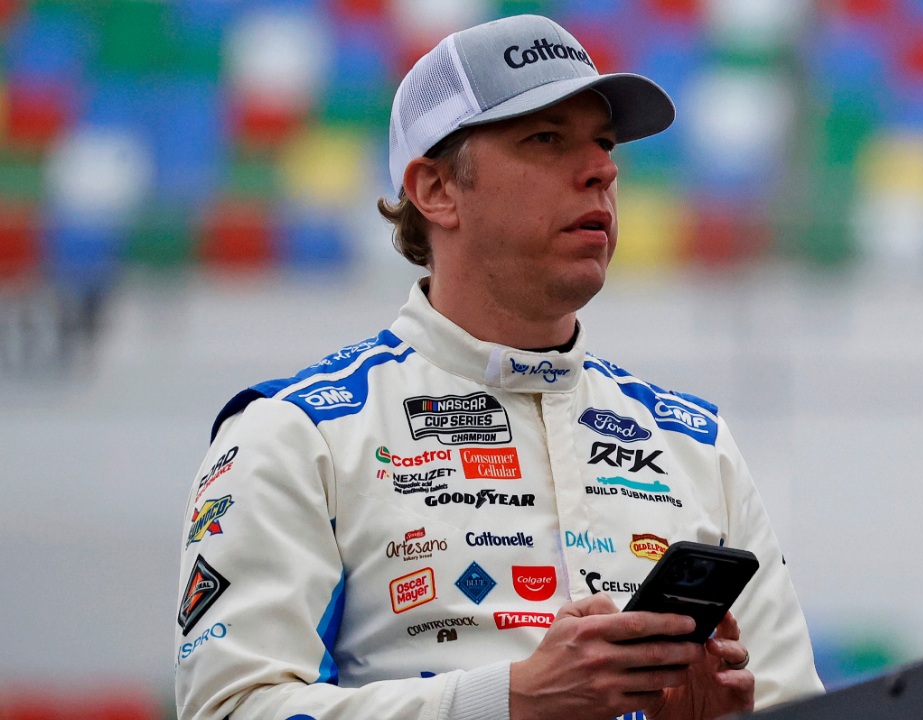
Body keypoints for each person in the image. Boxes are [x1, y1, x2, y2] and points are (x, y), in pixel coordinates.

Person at [174, 14, 823, 720]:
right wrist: (508, 701)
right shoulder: (299, 433)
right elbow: (230, 710)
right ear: (437, 190)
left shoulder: (696, 443)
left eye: (604, 143)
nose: (601, 168)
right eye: (545, 139)